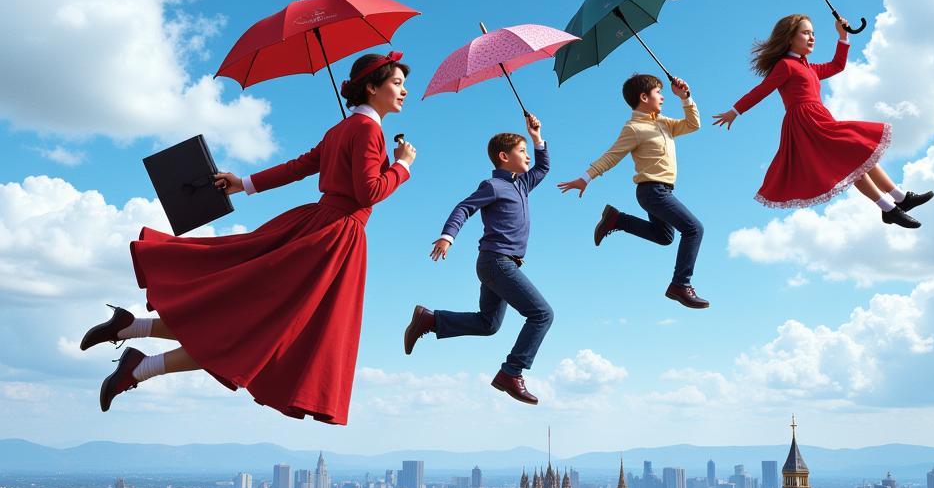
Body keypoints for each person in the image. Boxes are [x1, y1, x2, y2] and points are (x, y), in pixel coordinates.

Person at [79, 51, 417, 425]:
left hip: (316, 226)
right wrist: (401, 166)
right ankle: (139, 356)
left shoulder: (343, 130)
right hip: (333, 239)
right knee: (255, 329)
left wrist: (246, 184)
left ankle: (134, 332)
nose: (403, 91)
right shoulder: (369, 131)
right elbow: (368, 192)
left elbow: (301, 166)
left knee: (246, 317)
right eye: (397, 83)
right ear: (372, 87)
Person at [712, 15, 932, 226]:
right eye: (805, 33)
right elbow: (761, 90)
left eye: (813, 33)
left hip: (821, 119)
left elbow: (837, 65)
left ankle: (901, 198)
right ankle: (889, 209)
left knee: (860, 150)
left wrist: (843, 36)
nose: (812, 37)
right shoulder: (785, 66)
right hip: (806, 124)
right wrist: (735, 111)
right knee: (850, 162)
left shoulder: (809, 67)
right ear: (789, 38)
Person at [403, 114, 551, 405]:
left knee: (489, 324)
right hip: (497, 262)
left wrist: (535, 138)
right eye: (522, 152)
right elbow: (463, 208)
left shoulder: (522, 184)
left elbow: (544, 166)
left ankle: (430, 320)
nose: (527, 157)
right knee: (542, 314)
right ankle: (512, 372)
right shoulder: (493, 186)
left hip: (502, 264)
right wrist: (448, 236)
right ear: (503, 156)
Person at [557, 73, 708, 309]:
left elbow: (693, 124)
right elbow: (612, 155)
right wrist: (586, 177)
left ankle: (617, 219)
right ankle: (680, 284)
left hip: (662, 191)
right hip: (652, 191)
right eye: (659, 92)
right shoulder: (634, 128)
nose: (663, 97)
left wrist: (685, 98)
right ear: (644, 97)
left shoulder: (664, 123)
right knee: (694, 229)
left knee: (664, 237)